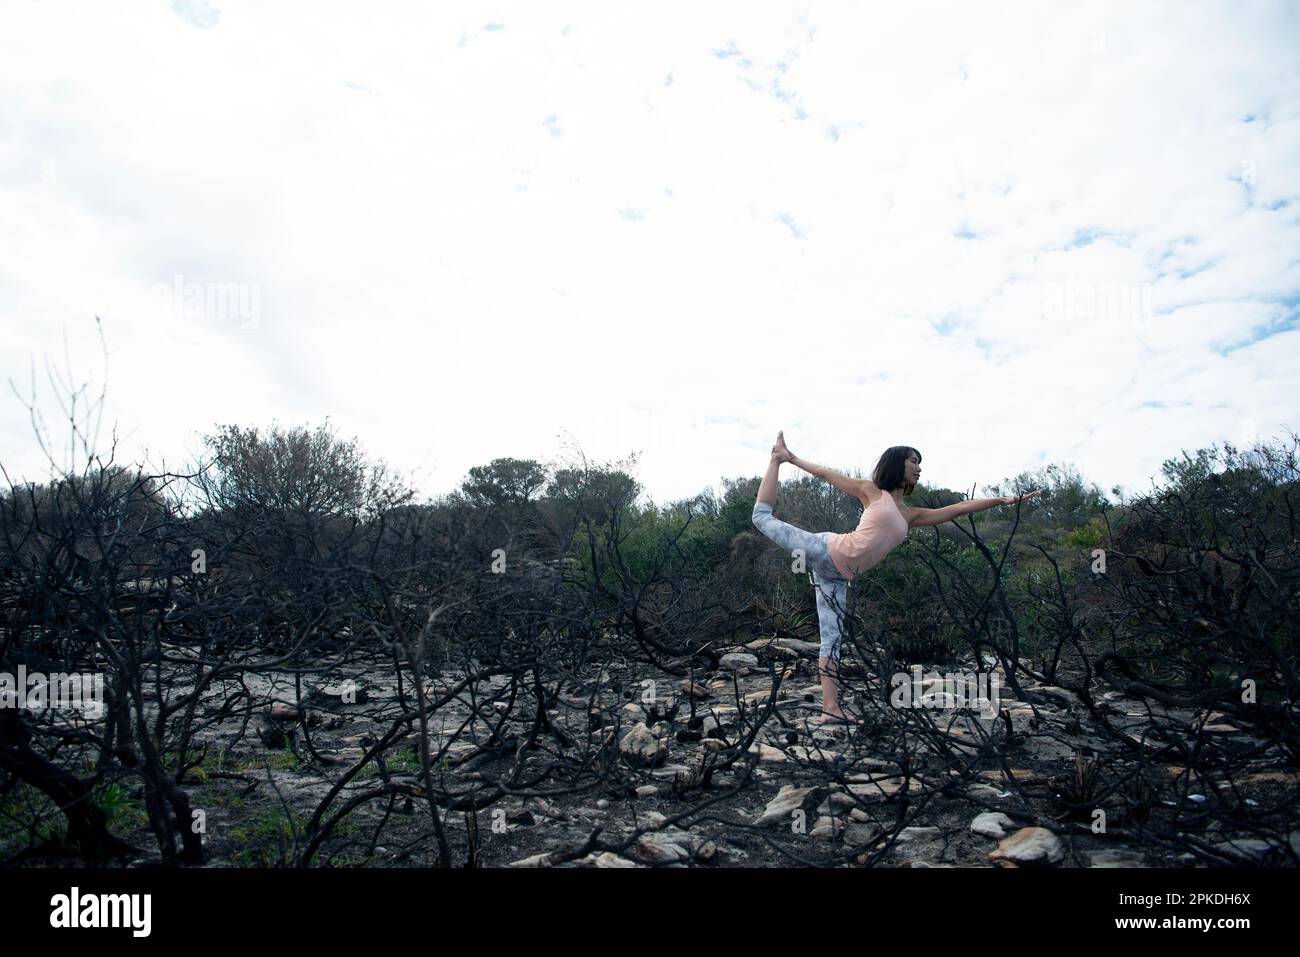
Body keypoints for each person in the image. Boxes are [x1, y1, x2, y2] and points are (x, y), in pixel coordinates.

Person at [751, 432, 1039, 724]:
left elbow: (958, 509)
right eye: (914, 461)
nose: (919, 467)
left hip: (837, 577)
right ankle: (775, 459)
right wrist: (791, 458)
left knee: (831, 642)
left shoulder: (911, 515)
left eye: (919, 463)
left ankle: (831, 709)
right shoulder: (871, 491)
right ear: (896, 463)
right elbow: (827, 474)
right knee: (761, 518)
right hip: (824, 550)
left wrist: (1001, 501)